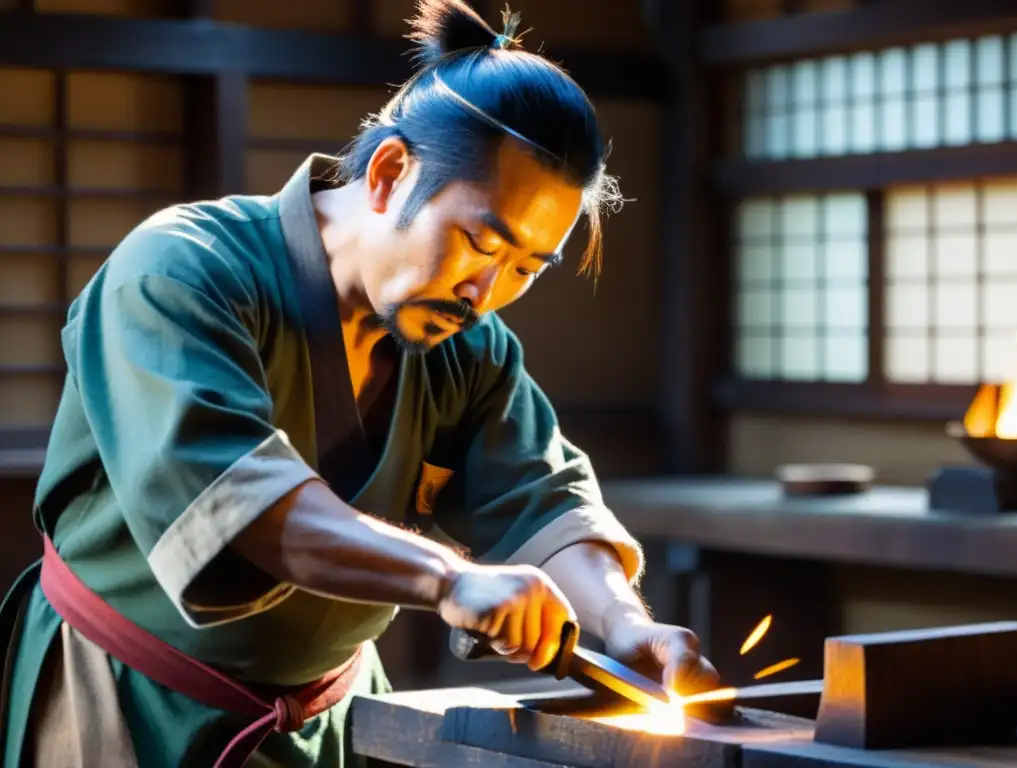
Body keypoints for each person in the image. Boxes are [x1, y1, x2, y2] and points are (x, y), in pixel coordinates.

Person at [0, 1, 719, 766]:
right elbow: (239, 505)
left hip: (333, 721)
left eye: (524, 270)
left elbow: (541, 500)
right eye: (481, 243)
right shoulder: (181, 270)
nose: (486, 291)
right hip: (125, 703)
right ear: (388, 172)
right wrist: (448, 578)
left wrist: (622, 624)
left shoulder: (469, 350)